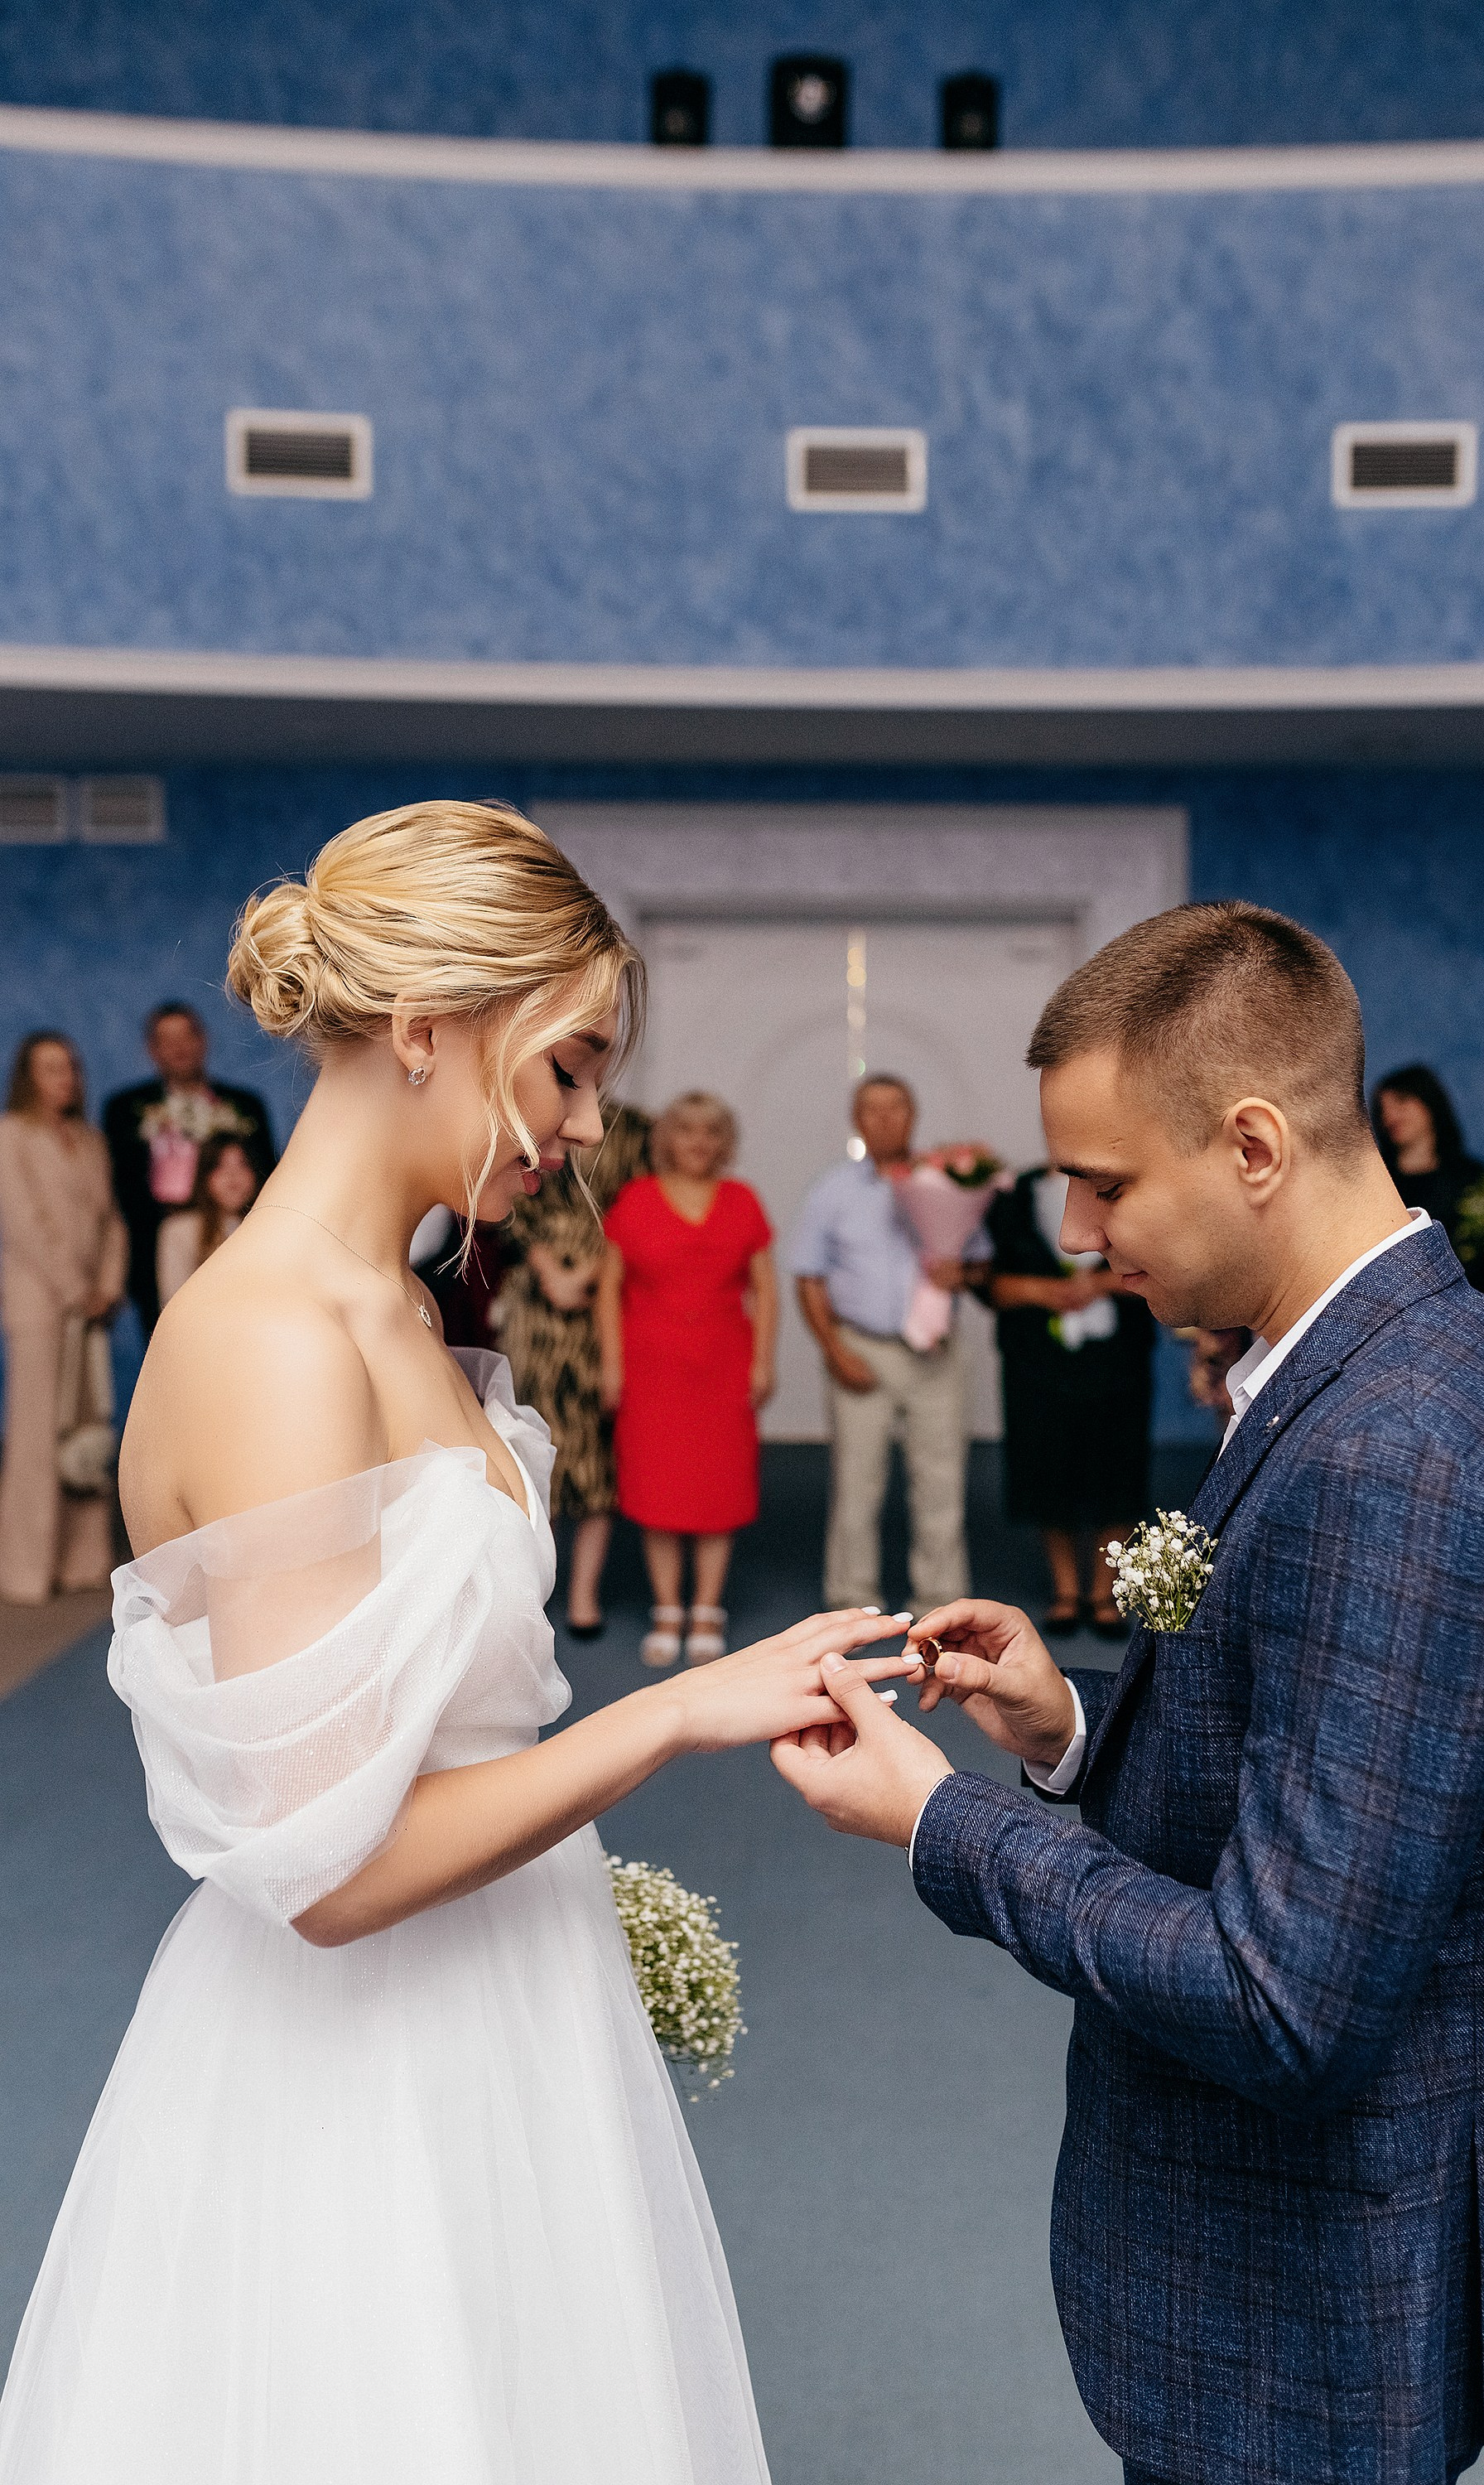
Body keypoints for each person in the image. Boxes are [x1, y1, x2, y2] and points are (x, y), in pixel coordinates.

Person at [0, 800, 908, 2485]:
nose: (580, 1123)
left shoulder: (401, 1308)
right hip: (361, 2070)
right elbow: (334, 1874)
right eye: (563, 1067)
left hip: (503, 1998)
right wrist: (671, 1715)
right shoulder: (274, 1339)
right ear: (427, 1026)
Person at [773, 900, 1484, 2485]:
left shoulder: (1399, 1458)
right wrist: (1071, 1723)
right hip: (1293, 2274)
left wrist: (938, 1824)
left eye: (1105, 1182)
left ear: (1249, 1146)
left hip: (1312, 2309)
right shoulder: (1364, 1364)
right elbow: (1306, 1728)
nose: (1080, 1231)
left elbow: (1281, 2001)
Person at [789, 1074, 989, 1613]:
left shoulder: (948, 1180)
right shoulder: (832, 1190)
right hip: (861, 1348)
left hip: (935, 1352)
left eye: (895, 1108)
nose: (883, 1119)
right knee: (856, 1488)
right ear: (857, 1121)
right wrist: (834, 1351)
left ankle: (941, 1601)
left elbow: (980, 1262)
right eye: (871, 1110)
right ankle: (853, 1601)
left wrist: (962, 1274)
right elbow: (808, 1276)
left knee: (941, 1482)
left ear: (913, 1115)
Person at [597, 1093, 776, 1667]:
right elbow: (609, 1289)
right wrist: (611, 1365)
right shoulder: (636, 1198)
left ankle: (706, 1609)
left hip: (723, 1364)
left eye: (710, 1132)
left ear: (724, 1142)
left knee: (717, 1489)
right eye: (687, 1130)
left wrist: (765, 1362)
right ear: (667, 1139)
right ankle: (668, 1609)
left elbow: (766, 1289)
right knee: (658, 1488)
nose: (698, 1142)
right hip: (653, 1369)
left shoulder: (743, 1201)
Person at [493, 1101, 653, 1638]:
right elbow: (503, 1202)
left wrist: (588, 1272)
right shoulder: (531, 1116)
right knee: (532, 1449)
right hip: (534, 1318)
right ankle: (532, 1589)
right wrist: (547, 1269)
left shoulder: (635, 1129)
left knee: (593, 1455)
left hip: (602, 1313)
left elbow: (642, 1210)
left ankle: (585, 1597)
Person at [984, 1160, 1154, 1634]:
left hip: (1118, 1358)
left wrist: (1100, 1283)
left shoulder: (1130, 1184)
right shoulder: (1016, 1192)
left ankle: (1104, 1591)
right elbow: (989, 1280)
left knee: (1117, 1466)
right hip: (1038, 1361)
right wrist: (1049, 1290)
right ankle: (1066, 1590)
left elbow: (1164, 1262)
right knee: (1046, 1468)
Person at [0, 1031, 128, 1604]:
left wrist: (106, 1284)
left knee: (87, 1429)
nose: (65, 1078)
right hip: (39, 1304)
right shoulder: (10, 1137)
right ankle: (25, 1570)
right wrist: (77, 1287)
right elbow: (22, 1223)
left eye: (70, 1067)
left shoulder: (89, 1139)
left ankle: (83, 1560)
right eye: (51, 1069)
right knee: (36, 1435)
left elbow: (112, 1222)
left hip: (89, 1307)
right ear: (29, 1076)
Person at [102, 1000, 276, 1334]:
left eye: (187, 1036)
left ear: (204, 1040)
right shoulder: (126, 1109)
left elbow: (269, 1174)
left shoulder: (244, 1105)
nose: (179, 1048)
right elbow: (120, 1189)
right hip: (156, 1250)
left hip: (238, 1241)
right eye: (166, 1040)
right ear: (151, 1049)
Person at [1370, 1062, 1484, 1232]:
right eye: (1382, 1110)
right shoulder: (1380, 1184)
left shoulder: (1470, 1176)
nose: (1390, 1116)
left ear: (1429, 1101)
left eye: (1401, 1101)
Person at [155, 1131, 263, 1310]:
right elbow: (174, 1302)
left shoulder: (269, 1227)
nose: (233, 1176)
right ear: (204, 1176)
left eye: (242, 1164)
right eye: (220, 1166)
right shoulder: (180, 1230)